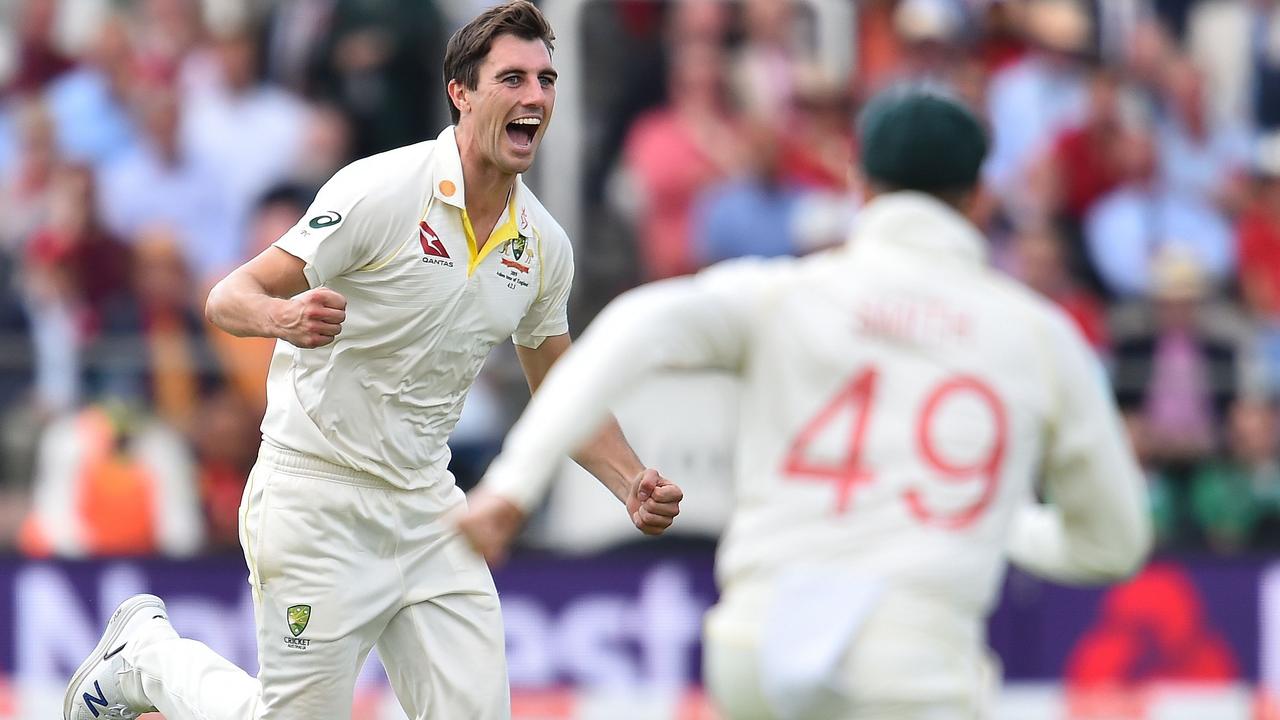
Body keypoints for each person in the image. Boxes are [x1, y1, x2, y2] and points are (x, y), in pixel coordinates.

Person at [63, 3, 683, 719]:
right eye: (512, 78)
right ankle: (145, 655)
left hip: (426, 507)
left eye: (546, 80)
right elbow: (230, 295)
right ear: (462, 92)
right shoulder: (381, 190)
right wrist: (283, 317)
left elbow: (560, 385)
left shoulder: (543, 247)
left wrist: (629, 478)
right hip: (316, 493)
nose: (535, 98)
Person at [459, 85, 1153, 719]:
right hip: (913, 664)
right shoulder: (1039, 338)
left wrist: (514, 484)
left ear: (860, 187)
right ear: (978, 199)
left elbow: (631, 329)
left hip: (761, 645)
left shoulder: (783, 294)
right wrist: (1006, 524)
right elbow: (1115, 543)